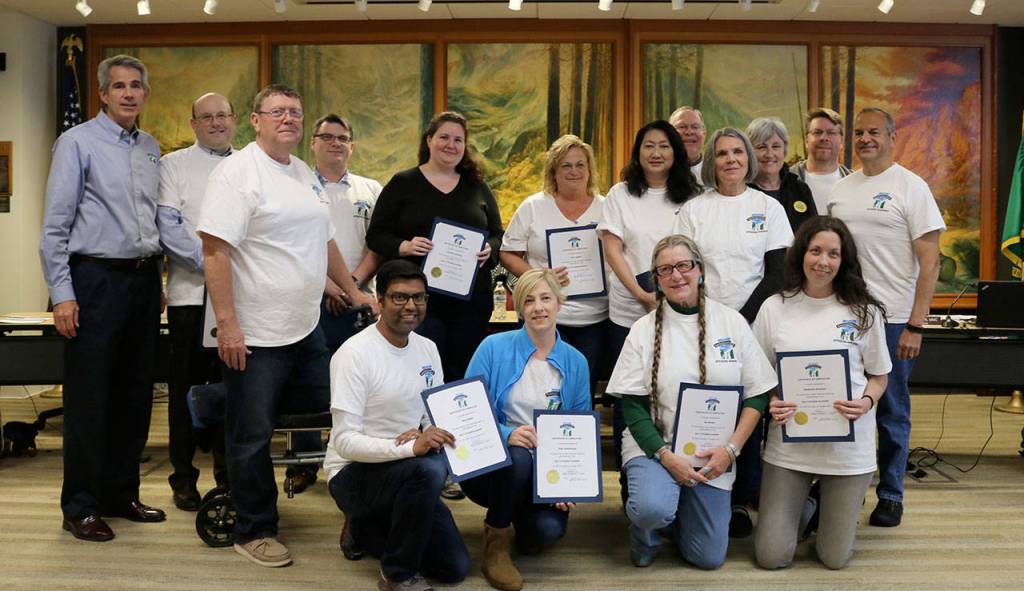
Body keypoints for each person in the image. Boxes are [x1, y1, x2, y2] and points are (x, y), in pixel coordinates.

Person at [196, 83, 377, 567]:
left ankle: (216, 399)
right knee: (252, 435)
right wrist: (228, 327)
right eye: (277, 111)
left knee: (330, 407)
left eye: (295, 112)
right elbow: (215, 252)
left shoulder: (303, 173)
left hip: (306, 329)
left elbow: (326, 243)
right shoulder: (237, 174)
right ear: (255, 120)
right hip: (254, 335)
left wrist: (355, 290)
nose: (289, 119)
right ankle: (253, 529)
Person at [40, 54, 166, 543]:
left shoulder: (151, 147)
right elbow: (55, 226)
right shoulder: (76, 143)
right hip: (93, 281)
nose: (129, 93)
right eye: (119, 86)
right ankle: (81, 507)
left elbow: (150, 221)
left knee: (135, 397)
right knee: (91, 401)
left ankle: (121, 493)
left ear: (145, 93)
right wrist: (62, 295)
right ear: (103, 94)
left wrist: (155, 281)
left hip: (141, 281)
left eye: (137, 85)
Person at [607, 235, 776, 569]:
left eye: (684, 265)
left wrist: (730, 451)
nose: (677, 275)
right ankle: (647, 534)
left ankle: (678, 509)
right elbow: (632, 407)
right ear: (656, 280)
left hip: (713, 454)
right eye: (665, 270)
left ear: (699, 269)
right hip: (655, 448)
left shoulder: (732, 323)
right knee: (651, 509)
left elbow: (756, 395)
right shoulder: (642, 330)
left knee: (708, 558)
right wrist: (667, 458)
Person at [752, 216, 891, 570]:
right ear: (801, 254)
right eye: (815, 251)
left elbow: (879, 376)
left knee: (834, 558)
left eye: (833, 254)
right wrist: (771, 401)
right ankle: (809, 505)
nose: (823, 262)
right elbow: (759, 373)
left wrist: (865, 402)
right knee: (770, 557)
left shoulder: (864, 312)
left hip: (847, 450)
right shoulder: (775, 308)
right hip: (790, 446)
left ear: (844, 260)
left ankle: (823, 507)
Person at [673, 126, 793, 536]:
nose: (731, 160)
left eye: (738, 153)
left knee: (749, 408)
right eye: (722, 153)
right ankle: (695, 486)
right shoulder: (694, 209)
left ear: (749, 159)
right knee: (706, 404)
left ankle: (742, 499)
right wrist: (709, 314)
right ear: (712, 161)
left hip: (755, 324)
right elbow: (685, 269)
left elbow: (778, 272)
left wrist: (740, 318)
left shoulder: (769, 208)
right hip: (700, 323)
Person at [828, 108, 945, 528]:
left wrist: (916, 323)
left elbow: (930, 261)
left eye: (873, 132)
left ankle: (891, 494)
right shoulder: (841, 190)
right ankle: (845, 489)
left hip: (894, 318)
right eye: (858, 132)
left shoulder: (911, 187)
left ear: (891, 136)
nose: (864, 139)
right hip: (845, 315)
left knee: (891, 410)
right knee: (845, 404)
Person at [325, 260, 471, 591]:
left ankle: (364, 528)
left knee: (454, 567)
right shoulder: (354, 355)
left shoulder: (428, 349)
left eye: (419, 298)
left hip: (404, 468)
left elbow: (430, 417)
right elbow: (345, 441)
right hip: (352, 473)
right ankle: (397, 574)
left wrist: (422, 435)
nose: (411, 306)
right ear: (380, 299)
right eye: (400, 297)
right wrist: (406, 447)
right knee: (430, 470)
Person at [461, 268, 590, 591]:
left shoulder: (576, 362)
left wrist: (569, 482)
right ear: (519, 308)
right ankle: (496, 542)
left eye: (546, 298)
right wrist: (506, 435)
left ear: (560, 303)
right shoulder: (492, 347)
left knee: (546, 532)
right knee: (518, 455)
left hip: (545, 474)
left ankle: (518, 515)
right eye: (529, 300)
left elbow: (580, 427)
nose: (538, 307)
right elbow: (467, 412)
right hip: (492, 466)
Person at [598, 120, 701, 501]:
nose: (656, 153)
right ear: (637, 152)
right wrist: (642, 294)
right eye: (648, 146)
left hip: (682, 315)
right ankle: (633, 485)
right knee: (632, 398)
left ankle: (684, 478)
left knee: (678, 390)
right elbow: (613, 250)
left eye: (664, 146)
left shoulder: (692, 196)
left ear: (676, 152)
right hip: (629, 315)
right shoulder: (621, 194)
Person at [366, 111, 502, 384]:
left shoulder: (477, 187)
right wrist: (405, 246)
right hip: (419, 302)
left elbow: (498, 235)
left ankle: (459, 426)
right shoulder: (403, 183)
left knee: (463, 374)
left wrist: (490, 249)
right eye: (444, 137)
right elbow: (376, 236)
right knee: (423, 372)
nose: (450, 145)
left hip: (471, 303)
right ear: (429, 140)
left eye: (458, 140)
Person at [157, 92, 236, 511]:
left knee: (232, 390)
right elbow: (168, 227)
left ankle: (228, 477)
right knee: (182, 390)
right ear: (194, 124)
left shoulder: (250, 165)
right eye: (206, 116)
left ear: (236, 119)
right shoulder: (174, 166)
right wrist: (213, 267)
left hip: (241, 300)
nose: (216, 122)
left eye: (222, 115)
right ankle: (183, 478)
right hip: (190, 298)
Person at [500, 134, 607, 395]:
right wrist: (540, 277)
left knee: (579, 389)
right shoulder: (533, 207)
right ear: (553, 171)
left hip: (593, 319)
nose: (574, 171)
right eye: (566, 165)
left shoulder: (606, 208)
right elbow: (507, 253)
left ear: (590, 169)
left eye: (580, 164)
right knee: (536, 387)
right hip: (543, 315)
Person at [310, 113, 383, 352]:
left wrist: (349, 286)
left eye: (343, 138)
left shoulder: (371, 189)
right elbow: (295, 246)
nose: (336, 143)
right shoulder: (299, 186)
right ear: (313, 142)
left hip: (361, 298)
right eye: (327, 137)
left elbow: (378, 245)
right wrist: (331, 287)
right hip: (310, 297)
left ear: (351, 146)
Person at [746, 117, 818, 233]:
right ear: (749, 152)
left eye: (775, 146)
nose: (769, 154)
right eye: (762, 147)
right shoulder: (741, 191)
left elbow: (815, 235)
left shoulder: (800, 189)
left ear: (784, 151)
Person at [790, 108, 852, 214]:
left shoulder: (854, 183)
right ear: (806, 140)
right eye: (817, 132)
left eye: (831, 133)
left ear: (841, 141)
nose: (824, 138)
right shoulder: (787, 180)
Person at [669, 106, 707, 185]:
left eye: (695, 127)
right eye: (682, 127)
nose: (689, 132)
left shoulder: (716, 174)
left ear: (704, 134)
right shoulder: (658, 174)